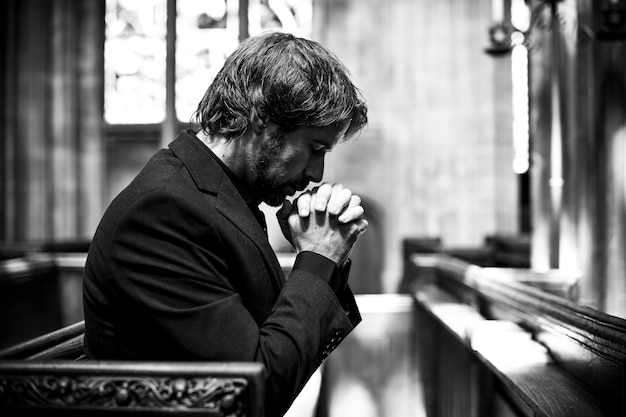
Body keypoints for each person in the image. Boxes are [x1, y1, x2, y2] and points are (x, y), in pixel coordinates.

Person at [82, 31, 368, 417]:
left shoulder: (218, 195)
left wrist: (323, 259)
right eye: (314, 148)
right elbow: (252, 392)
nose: (318, 173)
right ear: (260, 117)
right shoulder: (163, 212)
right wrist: (318, 258)